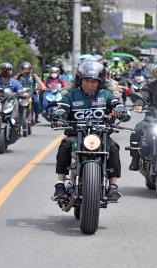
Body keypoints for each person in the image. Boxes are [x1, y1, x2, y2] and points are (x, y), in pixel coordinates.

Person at [51, 61, 129, 202]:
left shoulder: (105, 95)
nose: (90, 84)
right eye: (87, 80)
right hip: (76, 135)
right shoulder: (72, 95)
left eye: (94, 81)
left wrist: (121, 111)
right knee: (65, 145)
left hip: (100, 135)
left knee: (113, 148)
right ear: (81, 80)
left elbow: (116, 105)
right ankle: (60, 185)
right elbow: (62, 107)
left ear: (100, 82)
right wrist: (59, 114)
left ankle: (113, 186)